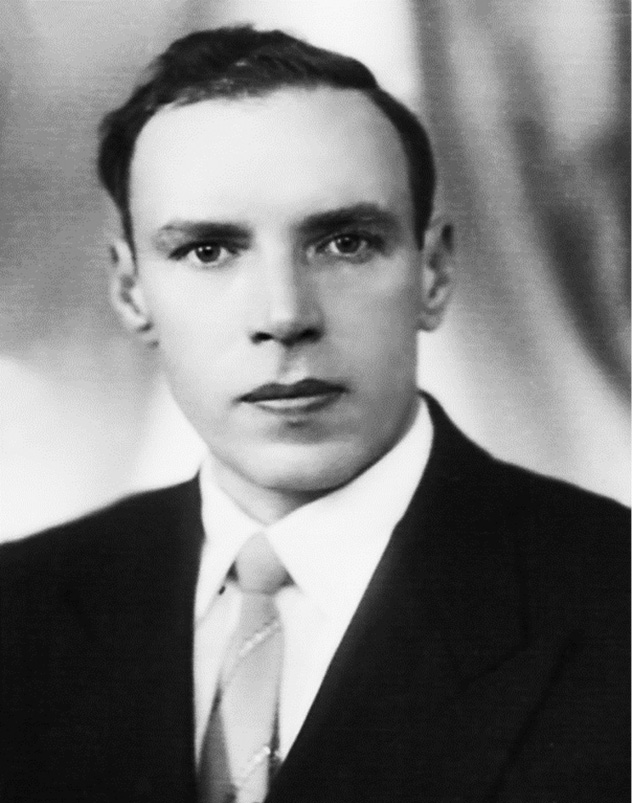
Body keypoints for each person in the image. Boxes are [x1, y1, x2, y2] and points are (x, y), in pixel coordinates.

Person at [0, 26, 628, 803]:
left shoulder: (615, 596)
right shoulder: (18, 612)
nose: (284, 314)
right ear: (131, 291)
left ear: (434, 272)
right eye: (208, 250)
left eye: (345, 243)